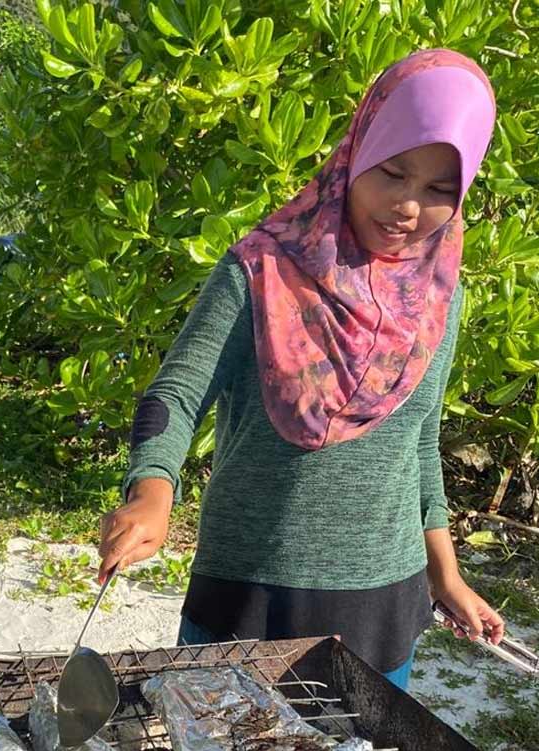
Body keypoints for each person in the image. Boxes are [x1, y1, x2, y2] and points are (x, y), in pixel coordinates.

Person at [98, 48, 505, 689]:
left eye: (438, 190)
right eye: (392, 171)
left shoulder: (438, 301)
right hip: (249, 587)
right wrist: (152, 491)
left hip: (382, 601)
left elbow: (419, 442)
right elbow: (176, 394)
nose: (406, 206)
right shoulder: (260, 271)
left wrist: (445, 575)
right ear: (354, 154)